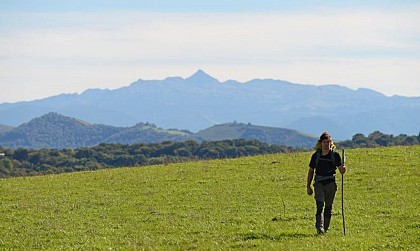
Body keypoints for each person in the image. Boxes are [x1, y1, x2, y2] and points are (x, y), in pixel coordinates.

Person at [306, 132, 345, 234]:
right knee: (320, 206)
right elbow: (311, 171)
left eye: (328, 142)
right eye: (324, 142)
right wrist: (308, 186)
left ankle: (325, 229)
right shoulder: (316, 156)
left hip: (331, 184)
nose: (326, 144)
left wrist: (343, 169)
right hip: (319, 183)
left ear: (330, 143)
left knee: (328, 207)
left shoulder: (335, 155)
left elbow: (341, 169)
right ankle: (320, 228)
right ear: (320, 143)